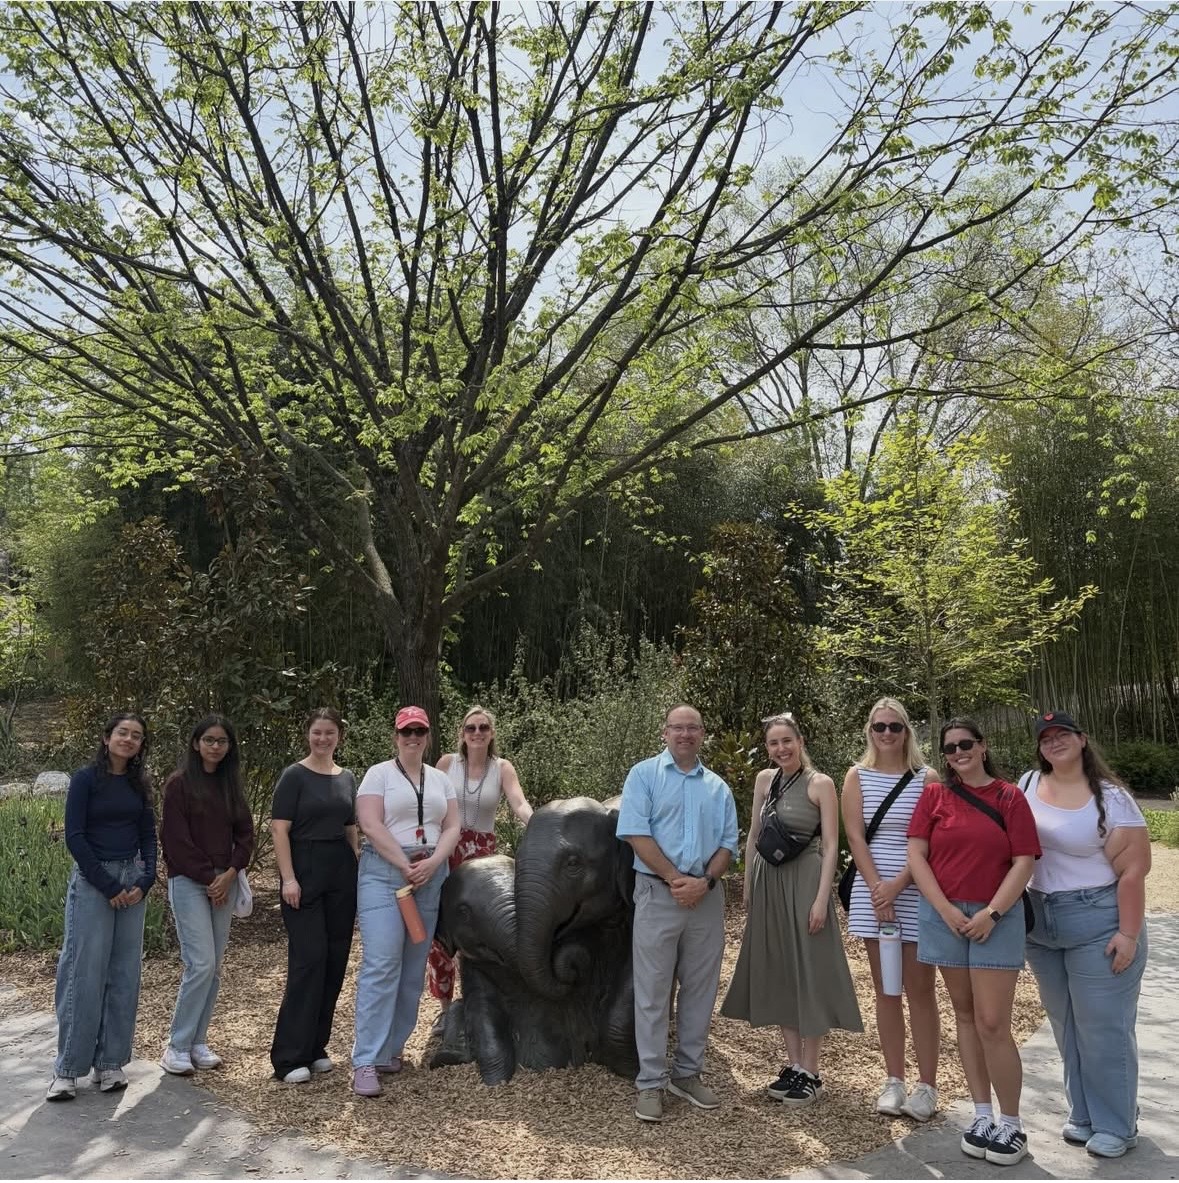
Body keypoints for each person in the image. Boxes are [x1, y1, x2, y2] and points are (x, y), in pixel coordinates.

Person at [907, 717, 1040, 1167]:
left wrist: (993, 913)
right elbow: (916, 855)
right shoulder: (934, 795)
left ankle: (1012, 1123)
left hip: (994, 915)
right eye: (949, 748)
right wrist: (944, 909)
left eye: (966, 744)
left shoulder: (1009, 797)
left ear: (983, 747)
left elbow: (1024, 862)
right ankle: (982, 1113)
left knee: (992, 1022)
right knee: (963, 1014)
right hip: (944, 914)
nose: (958, 753)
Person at [1022, 710, 1150, 1159]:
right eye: (1045, 738)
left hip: (1098, 919)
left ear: (1082, 740)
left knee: (1103, 1027)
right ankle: (1084, 1114)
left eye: (1062, 735)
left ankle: (1118, 1123)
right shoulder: (1026, 785)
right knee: (1066, 1024)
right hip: (1041, 922)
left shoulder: (1112, 798)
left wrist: (1129, 934)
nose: (1053, 742)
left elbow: (1134, 871)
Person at [721, 713, 862, 1106]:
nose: (781, 749)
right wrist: (749, 883)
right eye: (773, 743)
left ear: (799, 741)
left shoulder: (821, 784)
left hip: (805, 882)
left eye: (787, 741)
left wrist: (822, 898)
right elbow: (753, 832)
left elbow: (832, 845)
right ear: (766, 748)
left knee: (809, 967)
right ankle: (795, 1064)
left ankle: (812, 1071)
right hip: (769, 882)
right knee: (781, 967)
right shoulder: (765, 781)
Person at [615, 704, 739, 1124]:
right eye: (678, 727)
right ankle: (650, 1082)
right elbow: (634, 831)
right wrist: (674, 879)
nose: (685, 734)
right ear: (664, 732)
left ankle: (687, 1074)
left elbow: (728, 845)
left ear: (703, 734)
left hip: (705, 899)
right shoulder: (643, 775)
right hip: (657, 893)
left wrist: (702, 882)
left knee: (700, 990)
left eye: (693, 728)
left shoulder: (718, 788)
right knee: (652, 992)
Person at [351, 705, 461, 1097]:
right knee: (382, 962)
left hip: (429, 875)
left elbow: (452, 826)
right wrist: (403, 863)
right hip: (386, 873)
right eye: (406, 732)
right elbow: (370, 822)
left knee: (414, 967)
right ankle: (365, 1059)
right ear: (396, 737)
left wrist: (432, 863)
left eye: (419, 731)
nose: (412, 738)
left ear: (428, 736)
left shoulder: (439, 779)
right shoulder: (378, 775)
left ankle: (391, 1047)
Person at [47, 712, 157, 1101]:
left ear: (141, 744)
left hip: (132, 881)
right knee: (83, 973)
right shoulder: (85, 780)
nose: (128, 739)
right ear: (107, 737)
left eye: (136, 735)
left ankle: (110, 1063)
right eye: (122, 733)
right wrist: (107, 884)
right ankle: (67, 1069)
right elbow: (74, 836)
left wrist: (145, 880)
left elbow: (148, 834)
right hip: (95, 882)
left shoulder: (138, 784)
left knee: (124, 973)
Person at [841, 697, 940, 1120]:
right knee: (886, 990)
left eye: (894, 727)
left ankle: (927, 1086)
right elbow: (856, 838)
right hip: (871, 893)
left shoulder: (927, 777)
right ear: (869, 730)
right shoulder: (856, 776)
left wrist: (899, 885)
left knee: (920, 989)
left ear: (906, 732)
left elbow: (933, 839)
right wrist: (879, 889)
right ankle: (894, 1079)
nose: (886, 734)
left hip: (916, 888)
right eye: (879, 726)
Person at [426, 704, 533, 1028]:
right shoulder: (446, 764)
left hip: (482, 857)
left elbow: (518, 802)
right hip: (447, 848)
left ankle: (484, 1002)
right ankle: (446, 1010)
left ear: (491, 733)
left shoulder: (501, 767)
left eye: (483, 728)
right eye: (471, 728)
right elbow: (428, 803)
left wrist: (539, 823)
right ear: (462, 733)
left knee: (482, 931)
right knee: (441, 931)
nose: (476, 733)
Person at [159, 715, 255, 1075]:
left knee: (213, 968)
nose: (216, 746)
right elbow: (174, 841)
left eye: (222, 741)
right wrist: (209, 878)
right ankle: (177, 1046)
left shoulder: (231, 785)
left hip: (224, 881)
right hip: (188, 880)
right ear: (196, 743)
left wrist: (229, 874)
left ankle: (198, 1042)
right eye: (209, 740)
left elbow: (245, 834)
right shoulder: (179, 785)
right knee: (200, 963)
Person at [269, 707, 360, 1084]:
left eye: (330, 733)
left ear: (339, 736)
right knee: (309, 959)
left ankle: (315, 1046)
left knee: (336, 959)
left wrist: (355, 864)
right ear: (308, 734)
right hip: (304, 870)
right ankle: (289, 1057)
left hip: (341, 869)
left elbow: (351, 826)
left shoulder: (348, 777)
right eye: (316, 732)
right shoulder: (294, 776)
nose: (323, 739)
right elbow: (278, 830)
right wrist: (288, 878)